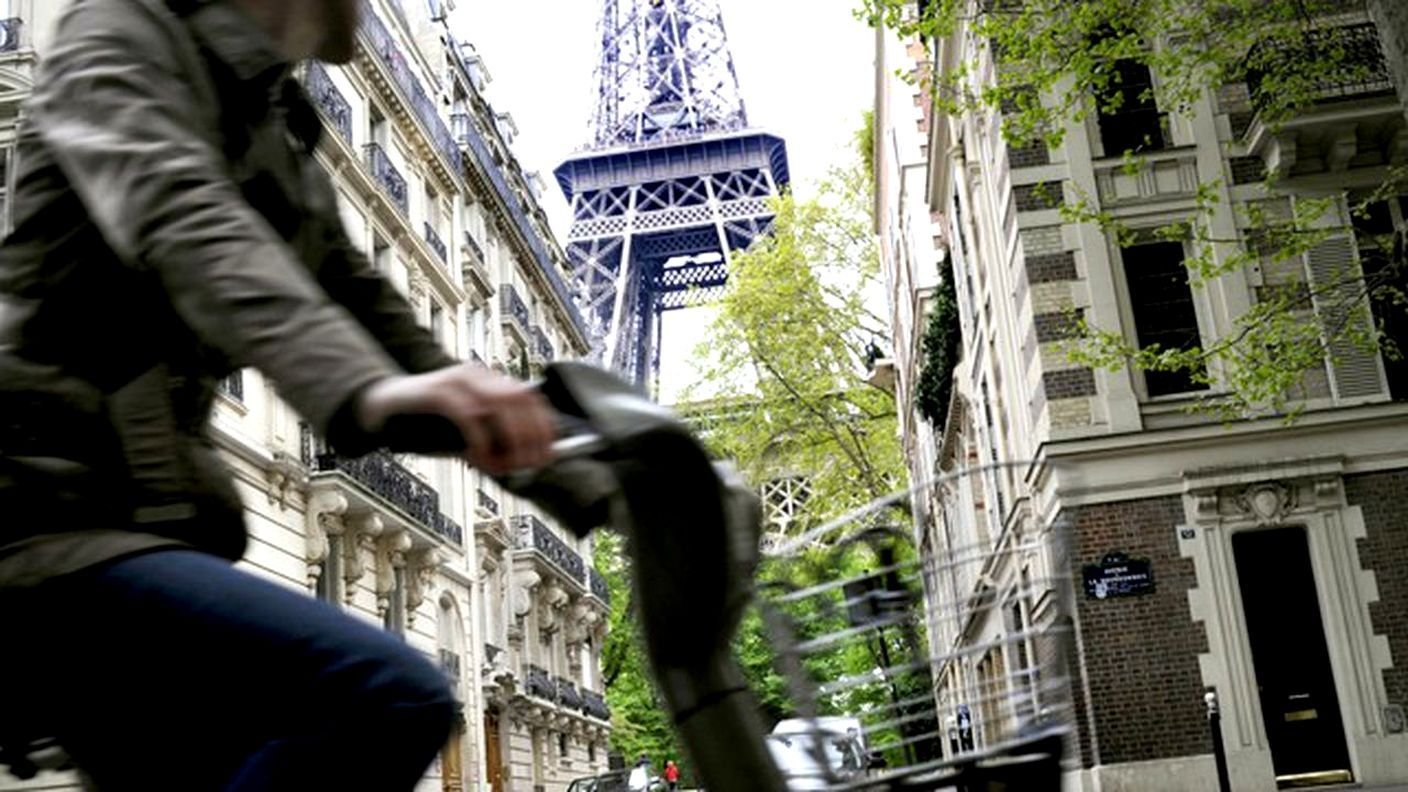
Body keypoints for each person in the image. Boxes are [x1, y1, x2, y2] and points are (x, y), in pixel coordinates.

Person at [0, 0, 556, 789]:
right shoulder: (119, 37)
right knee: (390, 694)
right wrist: (362, 389)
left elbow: (363, 299)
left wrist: (561, 441)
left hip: (150, 523)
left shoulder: (275, 122)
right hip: (47, 515)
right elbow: (186, 218)